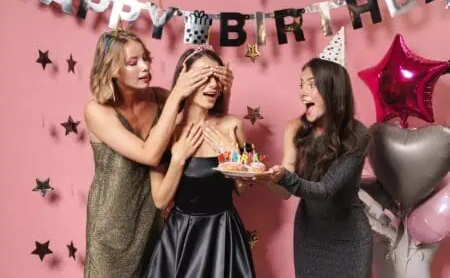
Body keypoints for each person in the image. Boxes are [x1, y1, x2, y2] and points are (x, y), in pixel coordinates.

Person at [83, 30, 233, 278]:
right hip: (111, 228)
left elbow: (206, 121)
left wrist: (224, 88)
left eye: (146, 58)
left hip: (154, 223)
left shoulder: (161, 98)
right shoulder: (97, 111)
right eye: (133, 62)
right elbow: (150, 154)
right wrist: (177, 94)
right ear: (112, 69)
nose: (145, 67)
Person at [254, 58, 373, 278]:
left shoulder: (358, 136)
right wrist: (264, 177)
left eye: (311, 84)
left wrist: (284, 178)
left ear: (333, 89)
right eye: (301, 85)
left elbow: (324, 191)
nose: (302, 93)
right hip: (309, 236)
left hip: (350, 239)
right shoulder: (296, 129)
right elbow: (286, 192)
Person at [145, 48, 255, 278]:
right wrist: (178, 159)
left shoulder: (233, 125)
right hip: (182, 238)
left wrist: (231, 156)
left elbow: (244, 190)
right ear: (184, 80)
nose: (213, 85)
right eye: (204, 76)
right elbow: (160, 200)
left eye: (217, 76)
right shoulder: (166, 133)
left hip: (224, 236)